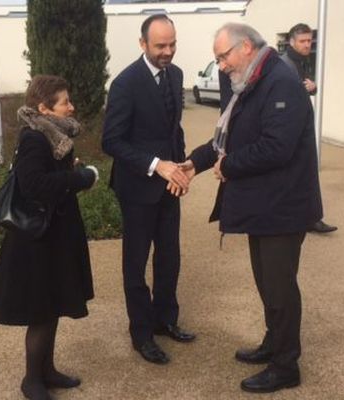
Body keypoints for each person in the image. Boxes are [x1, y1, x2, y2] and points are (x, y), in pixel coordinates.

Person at [179, 23, 322, 393]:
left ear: (245, 48)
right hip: (267, 206)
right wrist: (196, 162)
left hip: (284, 207)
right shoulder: (252, 80)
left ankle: (286, 365)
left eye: (223, 56)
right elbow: (228, 137)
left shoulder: (281, 83)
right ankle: (273, 344)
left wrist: (229, 166)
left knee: (280, 288)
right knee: (267, 284)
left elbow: (277, 147)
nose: (221, 65)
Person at [0, 75, 98, 400]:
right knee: (41, 312)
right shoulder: (35, 137)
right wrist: (80, 178)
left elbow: (47, 175)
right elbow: (34, 185)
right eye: (65, 102)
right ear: (44, 108)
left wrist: (69, 170)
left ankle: (47, 371)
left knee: (53, 305)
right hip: (38, 240)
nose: (71, 105)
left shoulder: (52, 133)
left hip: (53, 235)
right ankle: (32, 380)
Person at [102, 14, 195, 366]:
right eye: (160, 46)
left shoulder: (176, 75)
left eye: (172, 44)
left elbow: (174, 130)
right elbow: (111, 141)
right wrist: (158, 165)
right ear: (143, 44)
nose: (167, 52)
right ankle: (141, 333)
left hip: (170, 185)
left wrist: (182, 167)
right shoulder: (125, 84)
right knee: (136, 264)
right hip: (137, 188)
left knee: (170, 256)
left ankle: (164, 319)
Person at [281, 23, 337, 234]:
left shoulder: (299, 61)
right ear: (292, 42)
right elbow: (281, 96)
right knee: (297, 173)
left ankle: (311, 218)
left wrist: (312, 88)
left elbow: (304, 87)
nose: (307, 45)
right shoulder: (284, 64)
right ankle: (306, 218)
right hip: (292, 129)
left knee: (306, 173)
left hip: (301, 127)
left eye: (309, 41)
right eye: (303, 41)